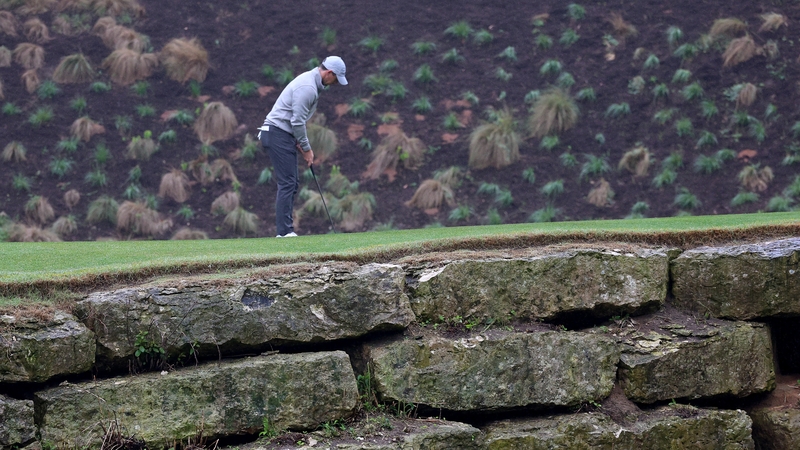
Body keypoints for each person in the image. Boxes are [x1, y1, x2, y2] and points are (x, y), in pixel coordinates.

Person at [258, 56, 348, 237]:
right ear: (329, 73)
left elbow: (295, 121)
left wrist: (298, 141)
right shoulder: (308, 87)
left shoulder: (311, 82)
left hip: (281, 134)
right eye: (336, 79)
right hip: (276, 134)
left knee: (291, 182)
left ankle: (286, 230)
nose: (335, 83)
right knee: (287, 182)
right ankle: (284, 232)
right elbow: (297, 121)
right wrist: (307, 149)